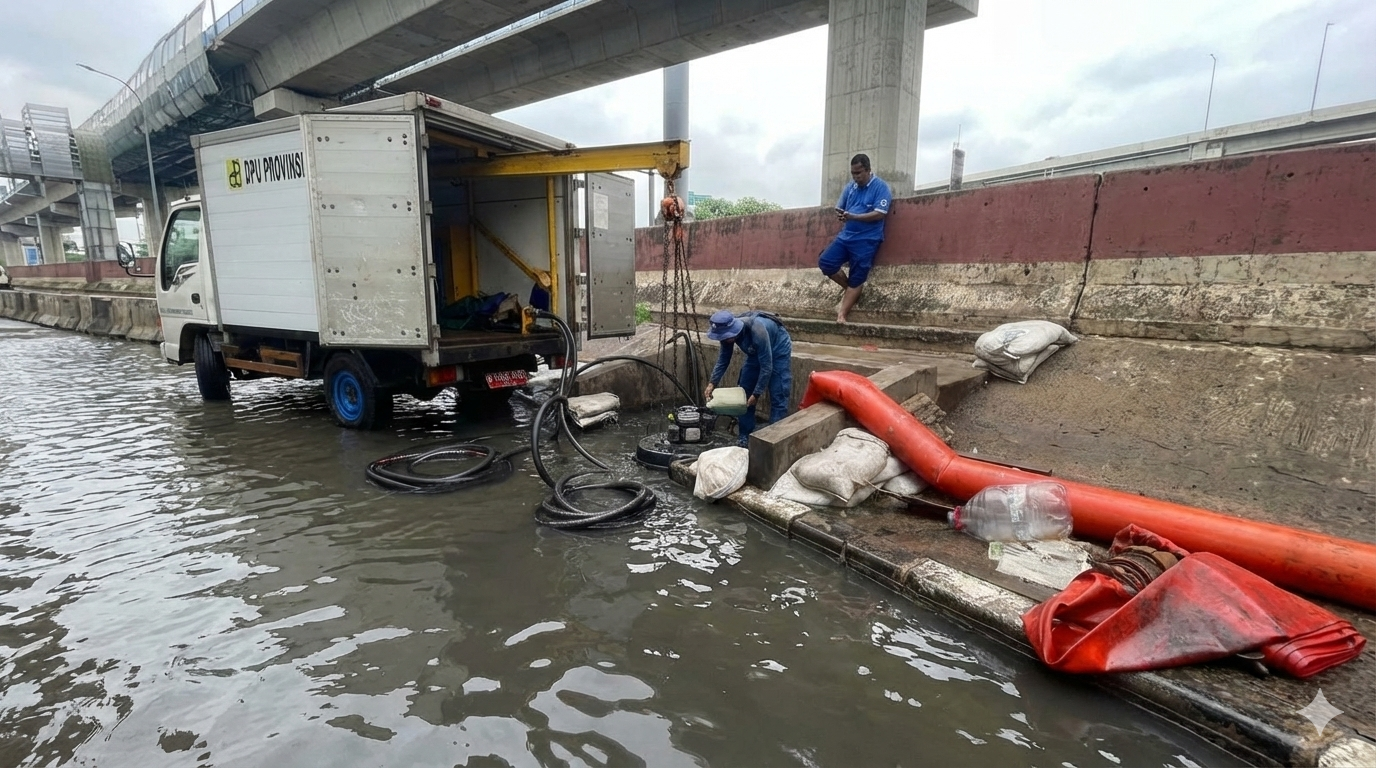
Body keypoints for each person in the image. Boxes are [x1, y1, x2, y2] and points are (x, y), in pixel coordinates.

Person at [819, 153, 891, 323]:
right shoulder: (850, 188)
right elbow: (840, 207)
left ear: (868, 170)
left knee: (858, 274)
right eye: (853, 173)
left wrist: (854, 217)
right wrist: (843, 215)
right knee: (826, 262)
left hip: (867, 239)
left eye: (859, 173)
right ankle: (851, 289)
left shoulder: (881, 187)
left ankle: (842, 314)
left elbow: (880, 214)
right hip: (846, 236)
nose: (856, 177)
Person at [704, 309, 793, 447]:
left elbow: (766, 367)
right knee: (744, 393)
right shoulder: (726, 338)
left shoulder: (757, 331)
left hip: (777, 346)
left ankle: (775, 439)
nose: (726, 340)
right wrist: (712, 383)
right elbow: (723, 360)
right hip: (755, 352)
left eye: (726, 337)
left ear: (733, 330)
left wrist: (756, 394)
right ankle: (745, 436)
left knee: (778, 390)